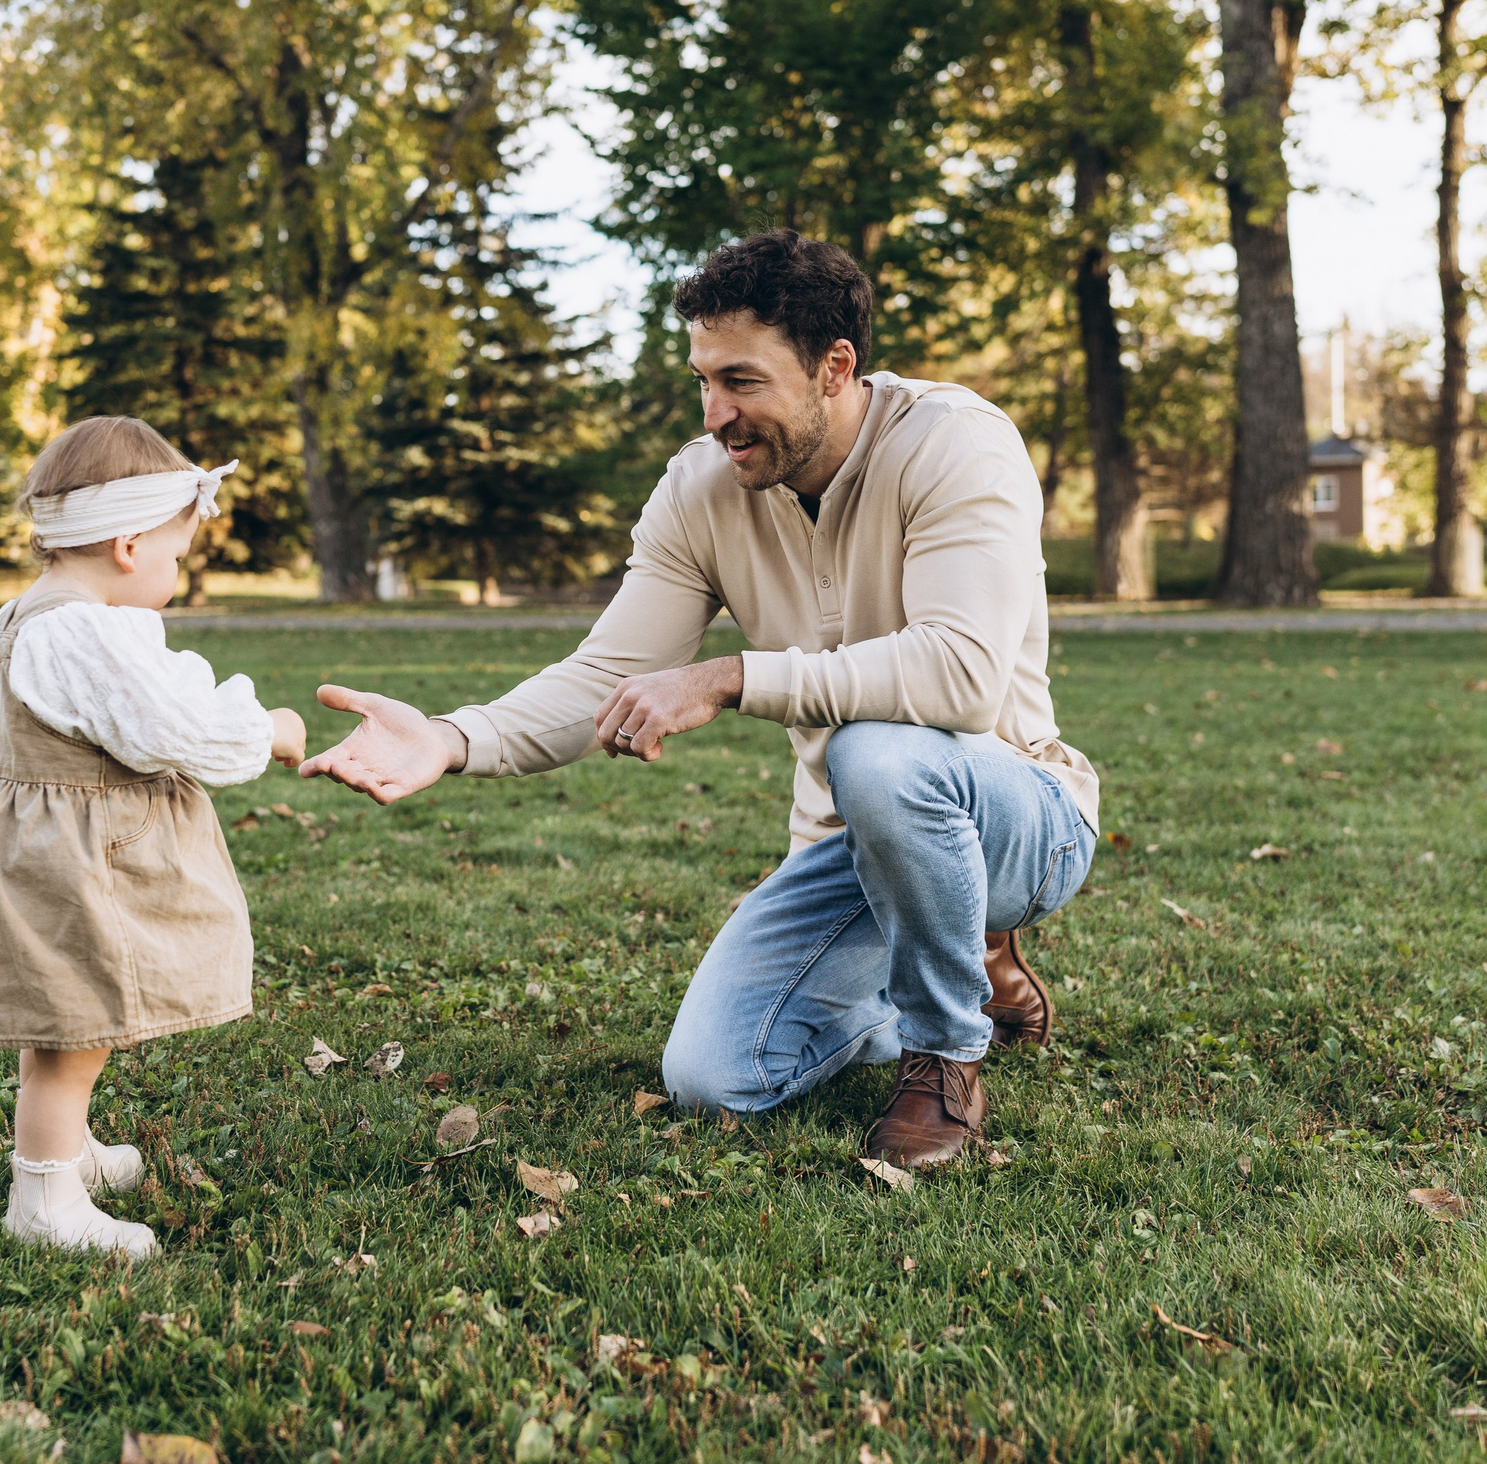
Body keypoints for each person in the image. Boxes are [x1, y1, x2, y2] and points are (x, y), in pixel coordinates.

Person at [302, 230, 1097, 1168]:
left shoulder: (956, 444)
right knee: (717, 1077)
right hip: (848, 843)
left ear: (834, 366)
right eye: (703, 381)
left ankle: (944, 1054)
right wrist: (450, 736)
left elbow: (959, 676)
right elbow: (608, 672)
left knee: (875, 750)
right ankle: (956, 964)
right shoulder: (701, 490)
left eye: (742, 381)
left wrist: (730, 675)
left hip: (1017, 814)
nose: (717, 413)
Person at [0, 417, 308, 1259]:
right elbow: (173, 727)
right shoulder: (89, 629)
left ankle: (66, 1149)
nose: (175, 574)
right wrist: (266, 726)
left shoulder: (21, 614)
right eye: (175, 556)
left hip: (23, 843)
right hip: (78, 860)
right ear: (128, 544)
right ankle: (44, 1196)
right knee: (75, 1026)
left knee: (62, 1010)